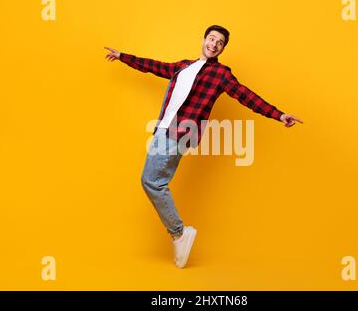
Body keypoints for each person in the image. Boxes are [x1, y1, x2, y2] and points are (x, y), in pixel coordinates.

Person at [104, 25, 303, 268]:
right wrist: (124, 57)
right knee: (153, 182)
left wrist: (278, 114)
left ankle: (179, 232)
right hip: (163, 129)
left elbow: (246, 95)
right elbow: (154, 66)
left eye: (219, 43)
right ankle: (179, 233)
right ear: (203, 40)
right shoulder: (183, 66)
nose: (214, 44)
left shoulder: (221, 75)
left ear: (222, 49)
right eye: (211, 39)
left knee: (152, 182)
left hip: (180, 133)